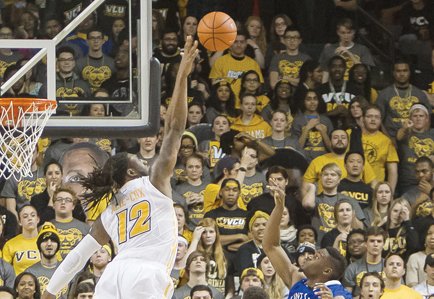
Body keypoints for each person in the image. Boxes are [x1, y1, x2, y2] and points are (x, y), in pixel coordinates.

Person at [42, 36, 199, 299]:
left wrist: (49, 292)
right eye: (137, 160)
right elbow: (173, 128)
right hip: (147, 274)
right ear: (130, 171)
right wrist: (181, 77)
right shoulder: (155, 182)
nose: (143, 160)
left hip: (114, 274)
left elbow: (79, 255)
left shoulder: (111, 210)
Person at [263, 181, 352, 298]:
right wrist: (279, 207)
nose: (308, 256)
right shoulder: (297, 278)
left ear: (326, 271)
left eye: (316, 256)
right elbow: (271, 246)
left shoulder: (337, 291)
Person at [376, 59, 431, 138]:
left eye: (405, 71)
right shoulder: (384, 94)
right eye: (398, 71)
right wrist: (389, 140)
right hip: (391, 138)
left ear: (409, 72)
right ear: (393, 73)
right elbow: (378, 119)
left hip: (415, 139)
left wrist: (422, 138)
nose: (402, 74)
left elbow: (427, 118)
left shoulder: (420, 94)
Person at [209, 31, 263, 107]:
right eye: (235, 42)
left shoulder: (253, 64)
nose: (239, 45)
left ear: (246, 44)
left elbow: (258, 87)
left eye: (242, 42)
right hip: (226, 106)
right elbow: (215, 86)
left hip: (246, 106)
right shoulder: (220, 61)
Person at [360, 105, 399, 192]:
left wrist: (390, 192)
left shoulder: (386, 141)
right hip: (353, 186)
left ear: (381, 120)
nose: (373, 119)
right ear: (362, 119)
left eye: (377, 117)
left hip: (375, 188)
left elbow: (392, 171)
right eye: (369, 116)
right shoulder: (351, 134)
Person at [25, 222, 66, 298]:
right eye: (45, 240)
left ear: (58, 245)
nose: (49, 244)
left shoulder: (67, 269)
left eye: (53, 240)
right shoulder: (29, 272)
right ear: (39, 245)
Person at [343, 226, 387, 296]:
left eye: (379, 241)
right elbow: (346, 296)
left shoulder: (390, 266)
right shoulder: (352, 268)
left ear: (383, 244)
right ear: (366, 244)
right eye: (372, 241)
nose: (375, 244)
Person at [50, 188, 90, 259]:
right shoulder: (45, 228)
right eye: (59, 199)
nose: (63, 202)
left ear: (73, 206)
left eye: (67, 200)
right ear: (53, 205)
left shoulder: (86, 228)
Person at [3, 205, 40, 275]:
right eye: (25, 216)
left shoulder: (46, 242)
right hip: (19, 284)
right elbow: (4, 272)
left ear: (38, 219)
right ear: (20, 222)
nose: (30, 218)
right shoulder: (10, 244)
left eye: (33, 215)